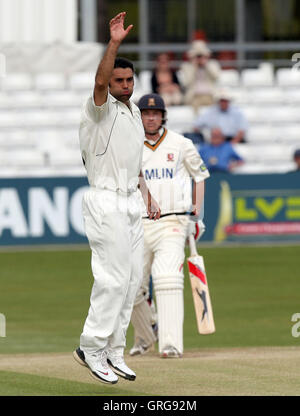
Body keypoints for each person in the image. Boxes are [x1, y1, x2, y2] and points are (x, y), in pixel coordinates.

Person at [73, 12, 161, 385]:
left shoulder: (134, 113)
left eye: (128, 80)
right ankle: (90, 347)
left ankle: (113, 350)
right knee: (111, 278)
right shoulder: (99, 109)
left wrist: (148, 194)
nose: (124, 85)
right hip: (105, 200)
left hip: (130, 200)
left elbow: (134, 162)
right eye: (118, 80)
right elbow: (98, 80)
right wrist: (113, 44)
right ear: (108, 83)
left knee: (131, 280)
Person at [129, 93, 210, 358]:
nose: (150, 118)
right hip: (138, 224)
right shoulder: (129, 146)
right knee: (130, 286)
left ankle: (171, 344)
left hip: (173, 220)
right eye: (145, 113)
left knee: (167, 278)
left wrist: (197, 214)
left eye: (155, 113)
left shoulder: (181, 144)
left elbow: (200, 176)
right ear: (138, 116)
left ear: (163, 116)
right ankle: (146, 336)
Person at [180, 40, 221, 112]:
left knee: (216, 108)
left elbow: (216, 77)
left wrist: (206, 65)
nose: (200, 58)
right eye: (197, 56)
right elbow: (187, 82)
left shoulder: (213, 64)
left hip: (210, 95)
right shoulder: (187, 66)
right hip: (195, 96)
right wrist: (194, 67)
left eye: (201, 55)